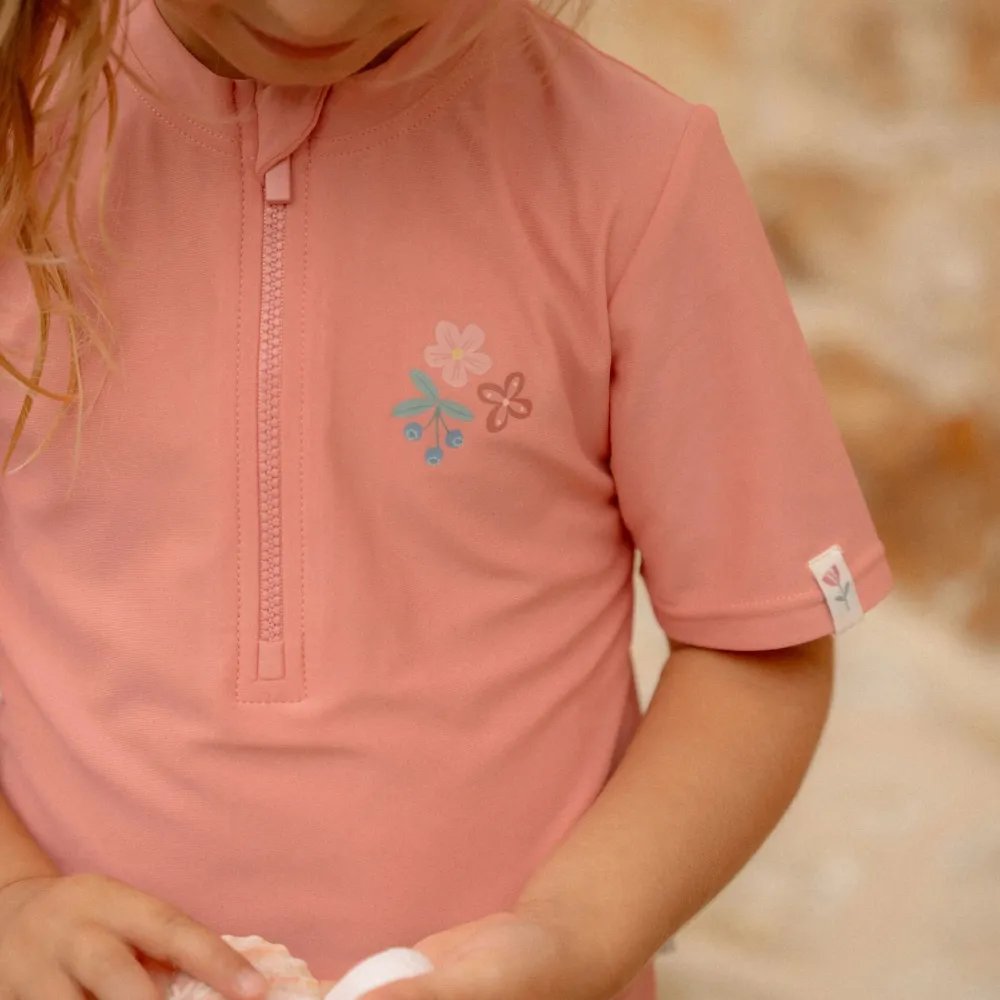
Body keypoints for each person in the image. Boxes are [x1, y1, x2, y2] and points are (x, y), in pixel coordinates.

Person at [0, 1, 894, 998]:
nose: (312, 13)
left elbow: (755, 645)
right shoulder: (14, 131)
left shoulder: (635, 170)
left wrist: (575, 938)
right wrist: (12, 898)